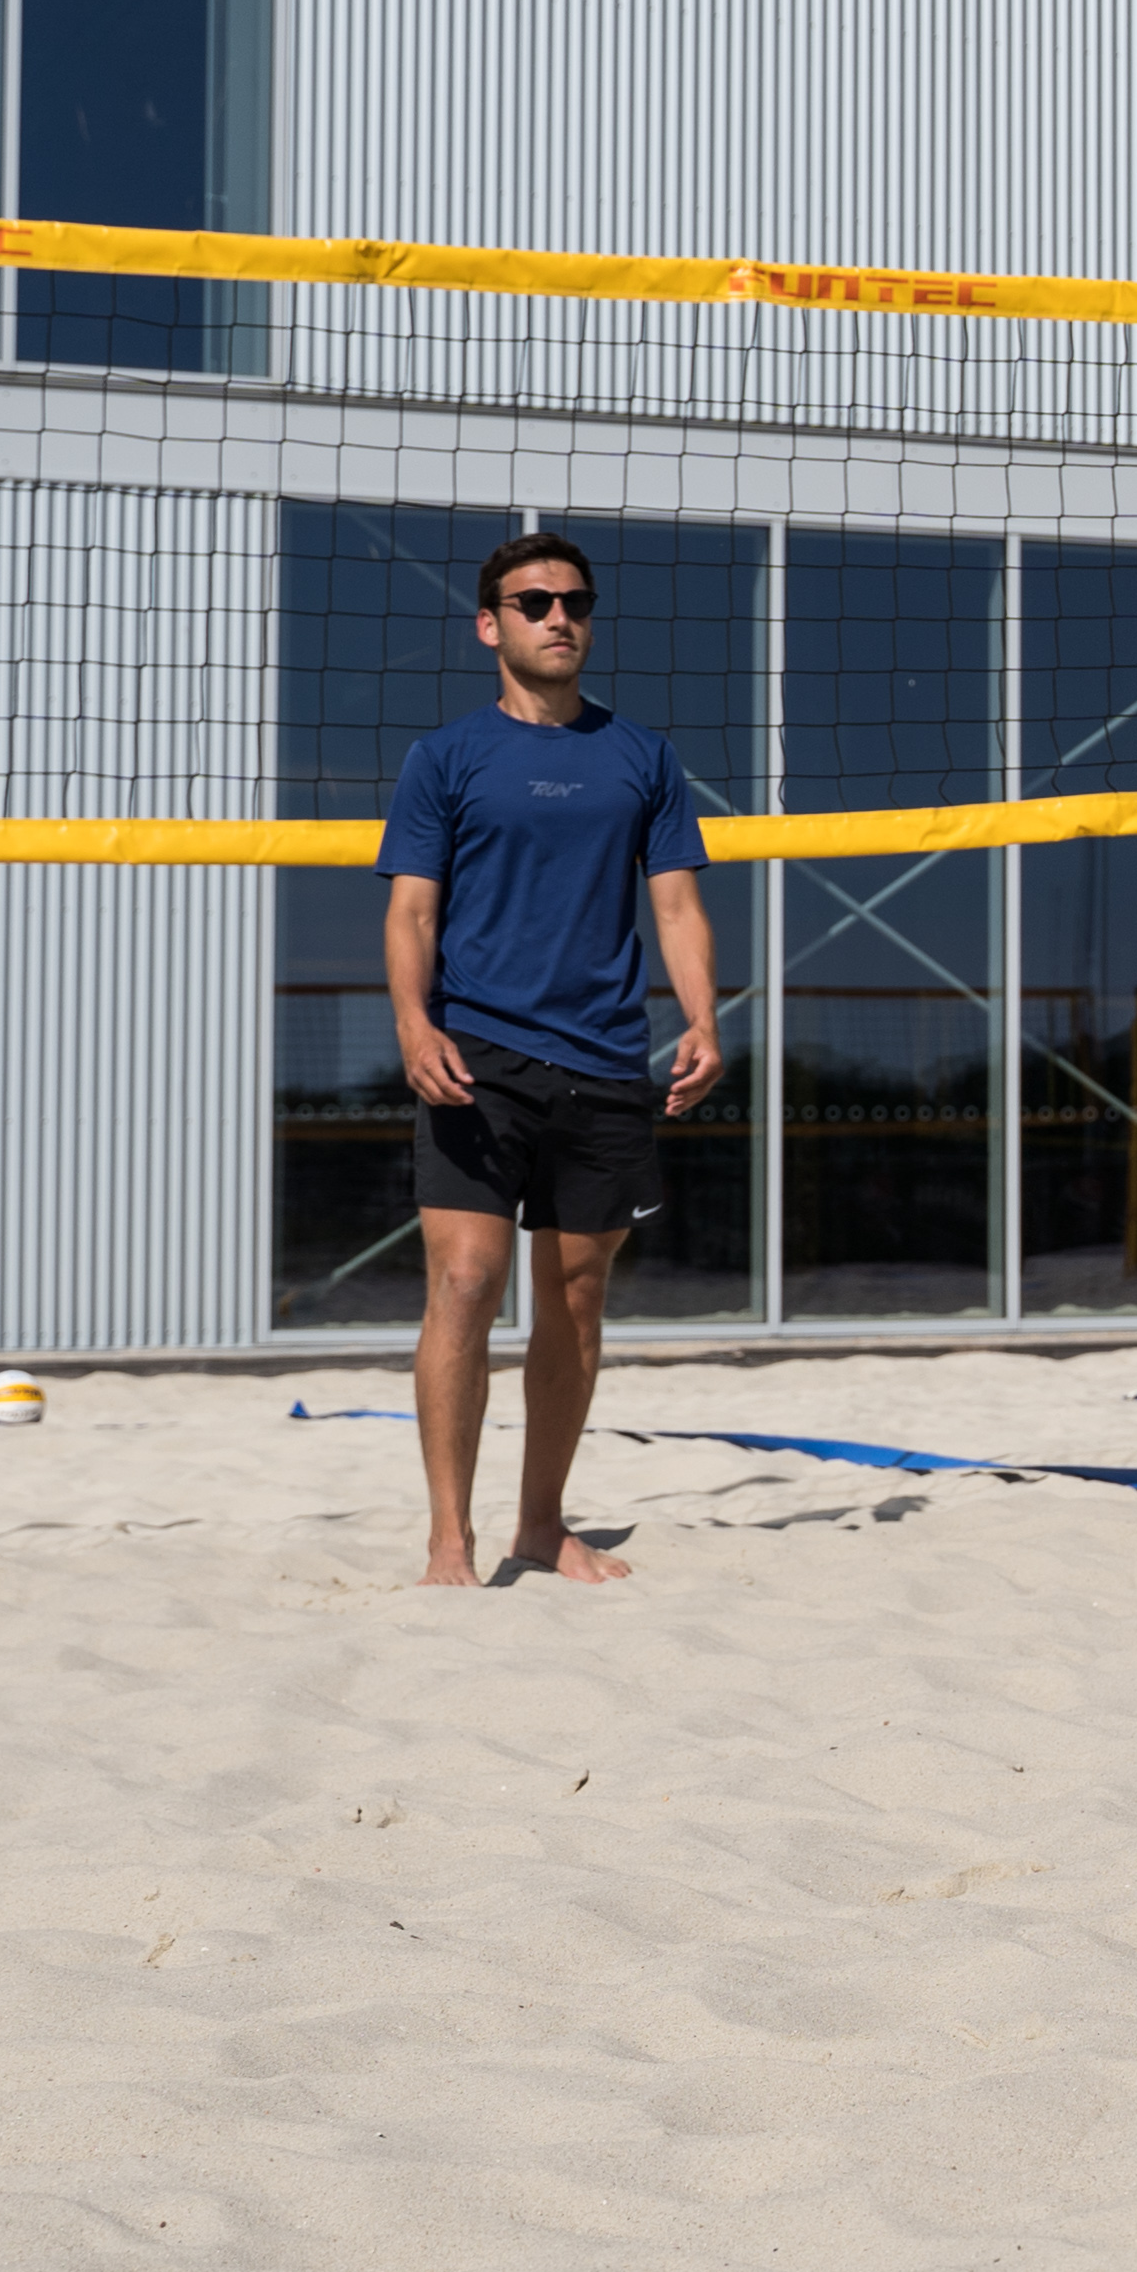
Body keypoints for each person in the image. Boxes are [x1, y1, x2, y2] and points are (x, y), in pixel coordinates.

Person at [380, 531, 726, 1588]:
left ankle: (540, 1522)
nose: (558, 616)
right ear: (490, 624)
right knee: (467, 1280)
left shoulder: (641, 755)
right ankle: (452, 1538)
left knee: (576, 1296)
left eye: (573, 600)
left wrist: (703, 1018)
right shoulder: (446, 756)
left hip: (606, 1057)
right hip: (477, 1050)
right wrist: (411, 1020)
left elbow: (675, 902)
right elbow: (411, 910)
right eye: (533, 602)